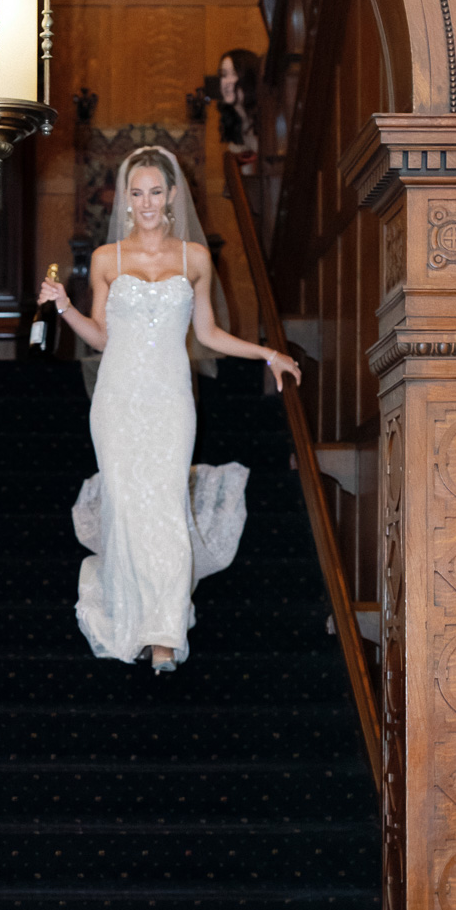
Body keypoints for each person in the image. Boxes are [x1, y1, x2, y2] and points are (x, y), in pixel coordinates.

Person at [38, 146, 300, 671]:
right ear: (125, 199)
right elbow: (102, 338)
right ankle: (132, 619)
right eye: (137, 193)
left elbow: (208, 333)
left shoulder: (195, 259)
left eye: (155, 192)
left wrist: (267, 354)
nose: (146, 203)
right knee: (126, 505)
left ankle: (163, 630)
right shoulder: (107, 259)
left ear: (173, 195)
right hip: (117, 398)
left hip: (170, 399)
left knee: (164, 505)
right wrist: (63, 306)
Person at [218, 48, 260, 166]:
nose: (227, 82)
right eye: (223, 75)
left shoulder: (266, 118)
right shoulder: (235, 119)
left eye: (234, 74)